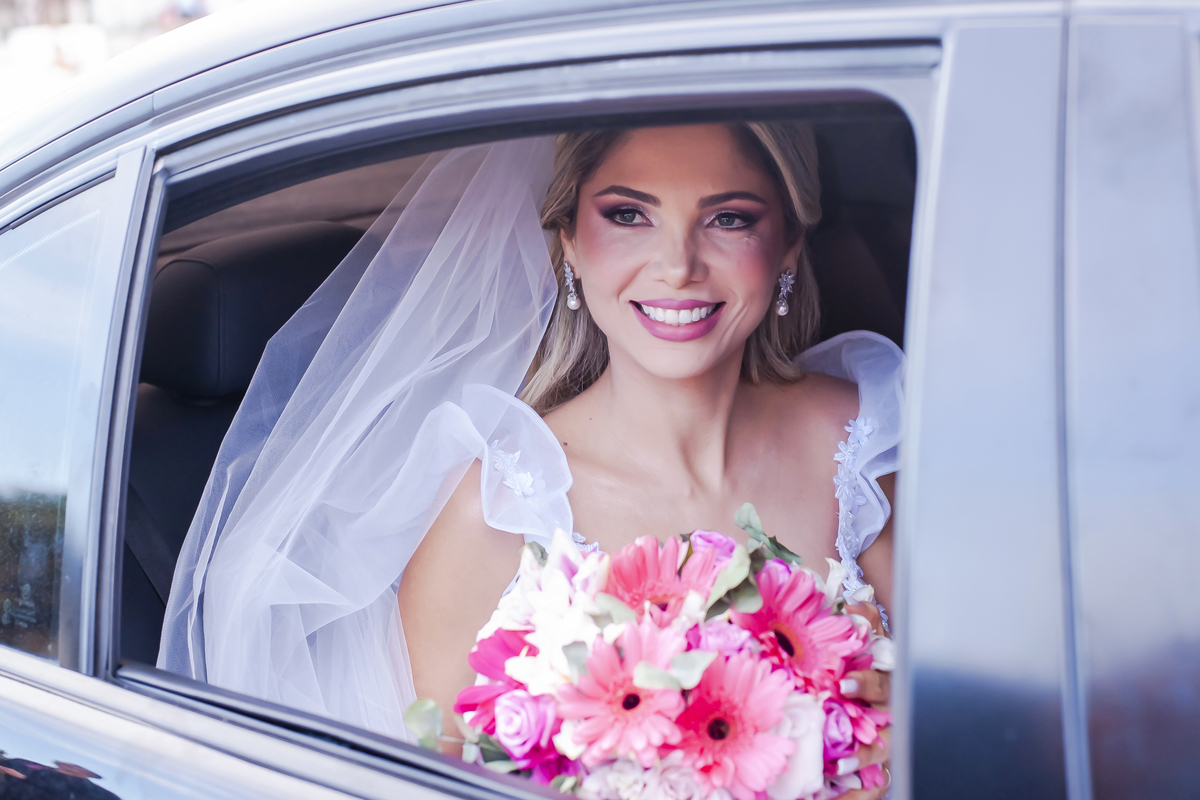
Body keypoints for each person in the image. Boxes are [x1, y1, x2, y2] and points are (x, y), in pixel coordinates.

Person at [160, 123, 901, 800]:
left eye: (728, 218)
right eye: (628, 214)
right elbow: (428, 777)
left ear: (790, 246)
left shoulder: (867, 448)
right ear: (570, 243)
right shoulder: (500, 504)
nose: (677, 264)